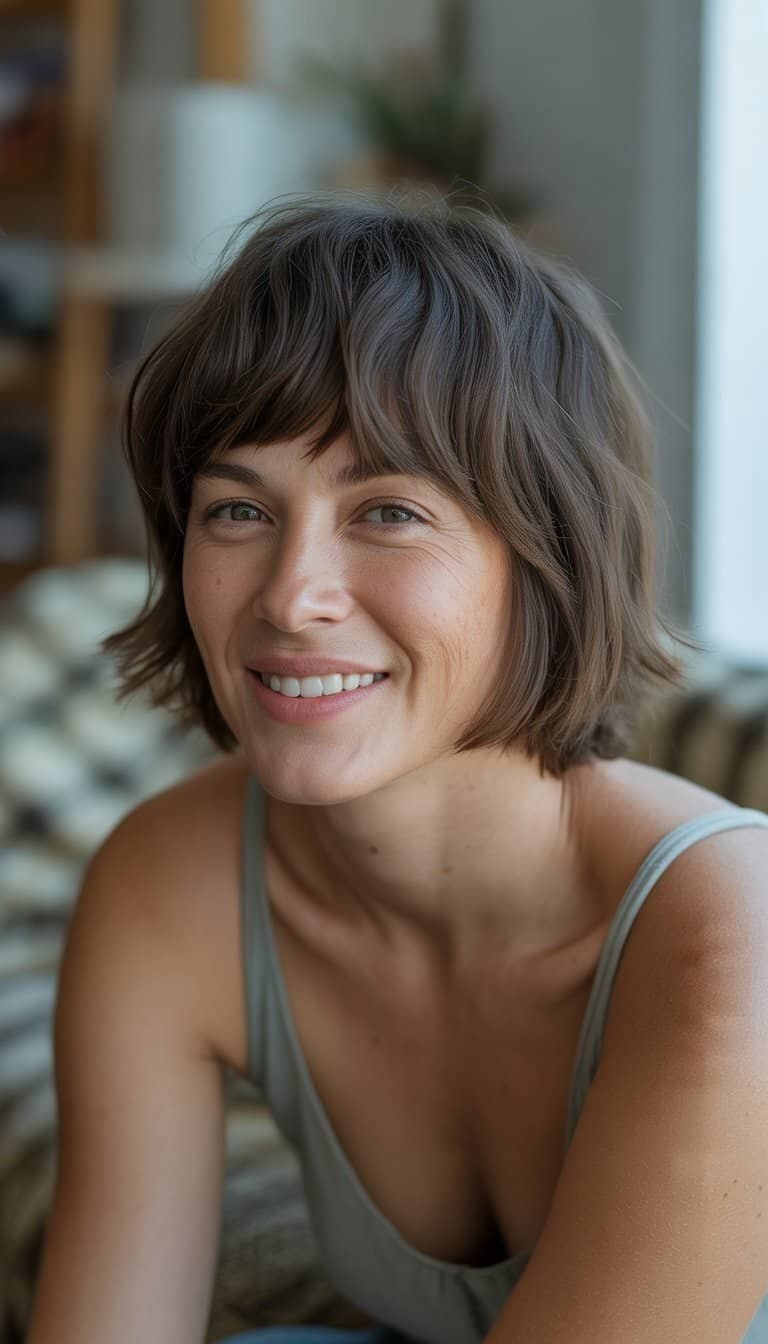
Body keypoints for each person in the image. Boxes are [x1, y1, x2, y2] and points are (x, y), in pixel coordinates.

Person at [27, 192, 768, 1344]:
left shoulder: (729, 937)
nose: (289, 594)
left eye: (387, 510)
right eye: (236, 509)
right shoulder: (167, 889)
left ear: (546, 554)